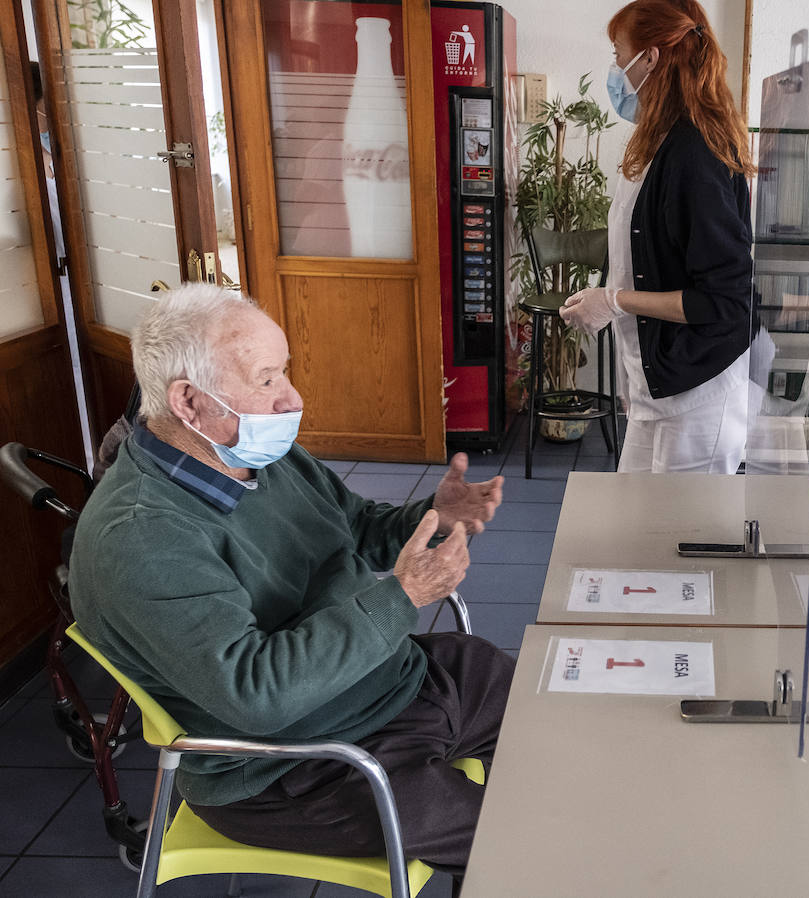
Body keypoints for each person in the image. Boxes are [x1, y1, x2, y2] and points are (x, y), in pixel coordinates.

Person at [68, 284, 512, 890]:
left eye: (285, 373)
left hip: (387, 685)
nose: (291, 398)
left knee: (551, 716)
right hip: (297, 768)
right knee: (524, 838)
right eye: (267, 378)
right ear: (190, 402)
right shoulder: (141, 536)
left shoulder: (258, 458)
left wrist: (430, 519)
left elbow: (354, 528)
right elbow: (257, 693)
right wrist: (400, 597)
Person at [558, 0, 754, 474]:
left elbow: (725, 303)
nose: (614, 68)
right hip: (659, 390)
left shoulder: (694, 154)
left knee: (671, 543)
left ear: (650, 57)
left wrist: (615, 301)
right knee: (634, 536)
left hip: (698, 402)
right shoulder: (659, 141)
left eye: (617, 52)